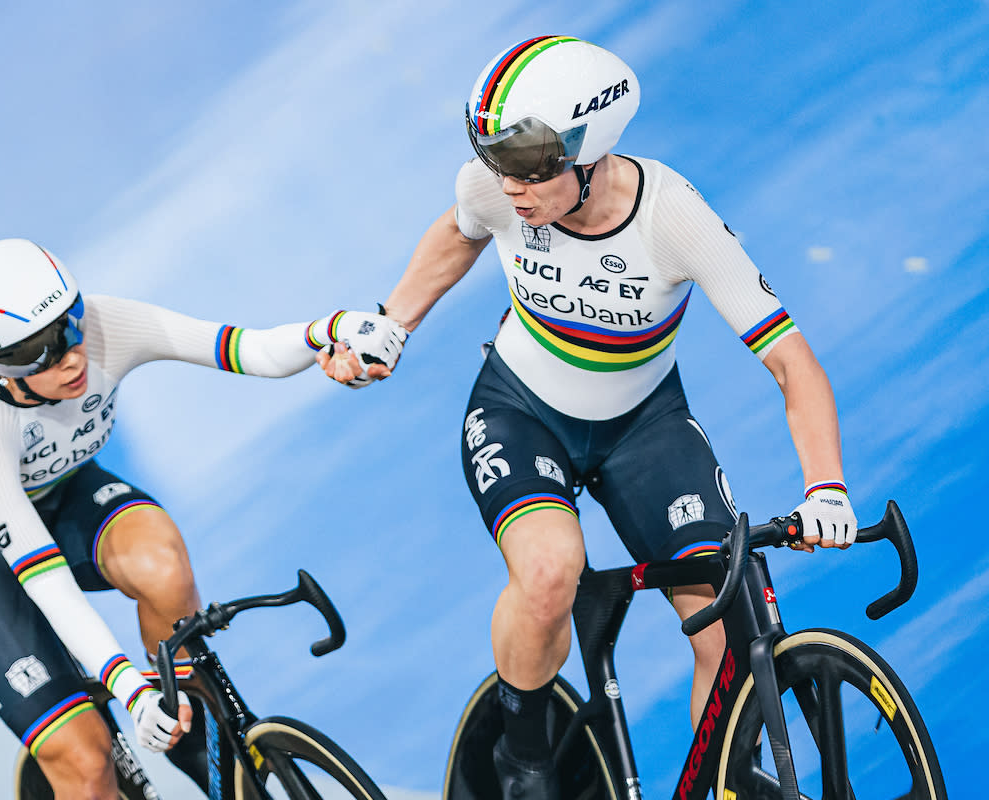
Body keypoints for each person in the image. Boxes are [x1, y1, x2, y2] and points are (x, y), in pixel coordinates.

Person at [317, 36, 857, 799]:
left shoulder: (673, 216)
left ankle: (716, 783)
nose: (512, 190)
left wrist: (825, 487)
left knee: (729, 627)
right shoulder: (496, 187)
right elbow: (456, 233)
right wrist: (391, 325)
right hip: (520, 411)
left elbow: (791, 360)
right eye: (498, 164)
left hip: (646, 427)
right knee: (548, 572)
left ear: (590, 151)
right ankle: (525, 758)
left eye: (531, 169)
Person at [0, 238, 404, 798]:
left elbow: (248, 350)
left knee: (163, 565)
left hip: (63, 494)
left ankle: (195, 735)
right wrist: (127, 687)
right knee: (85, 762)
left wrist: (329, 328)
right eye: (40, 351)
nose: (70, 356)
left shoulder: (106, 325)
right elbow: (43, 579)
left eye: (69, 326)